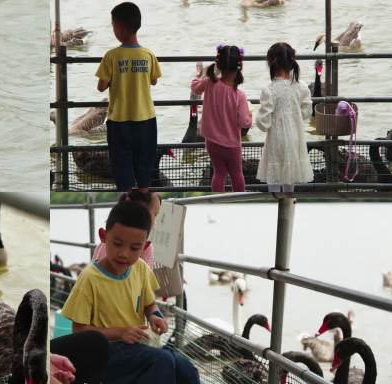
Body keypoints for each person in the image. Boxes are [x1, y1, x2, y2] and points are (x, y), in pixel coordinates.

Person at [62, 201, 199, 383]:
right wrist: (121, 333)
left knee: (186, 368)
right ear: (103, 236)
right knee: (161, 361)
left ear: (145, 246)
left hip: (137, 345)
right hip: (105, 352)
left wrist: (155, 316)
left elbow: (149, 304)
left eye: (134, 248)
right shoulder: (89, 278)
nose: (124, 254)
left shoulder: (141, 268)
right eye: (117, 244)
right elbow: (79, 332)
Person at [96, 2, 162, 192]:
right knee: (144, 163)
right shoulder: (148, 54)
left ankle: (126, 198)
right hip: (146, 120)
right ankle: (143, 195)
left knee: (121, 164)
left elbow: (101, 87)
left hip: (119, 121)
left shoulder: (111, 56)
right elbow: (154, 80)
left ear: (118, 28)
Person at [191, 45, 253, 192]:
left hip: (211, 141)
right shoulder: (240, 96)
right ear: (240, 66)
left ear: (218, 64)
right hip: (232, 144)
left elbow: (195, 87)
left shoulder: (210, 83)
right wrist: (250, 116)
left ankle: (218, 202)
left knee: (219, 173)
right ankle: (238, 201)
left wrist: (200, 75)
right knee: (236, 174)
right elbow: (244, 122)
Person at [255, 42, 314, 192]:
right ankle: (288, 207)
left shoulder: (269, 89)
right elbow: (307, 111)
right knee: (290, 178)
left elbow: (264, 123)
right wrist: (293, 117)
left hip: (276, 138)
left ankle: (274, 204)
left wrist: (257, 118)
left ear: (271, 62)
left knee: (274, 178)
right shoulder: (301, 86)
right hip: (295, 137)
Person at [92, 190, 161, 267]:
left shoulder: (106, 242)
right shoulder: (146, 248)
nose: (124, 254)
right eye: (155, 214)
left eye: (134, 248)